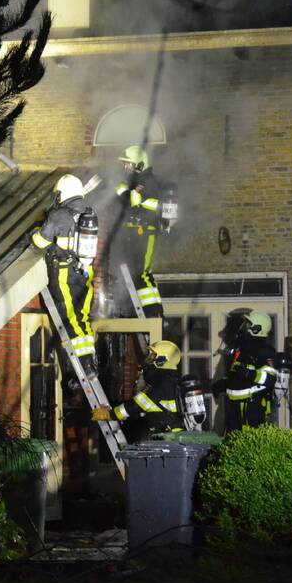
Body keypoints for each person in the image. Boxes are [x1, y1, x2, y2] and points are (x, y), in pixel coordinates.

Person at [30, 174, 99, 376]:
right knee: (82, 318)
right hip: (85, 271)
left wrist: (33, 233)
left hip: (64, 273)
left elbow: (40, 242)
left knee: (69, 318)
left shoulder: (58, 215)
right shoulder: (89, 214)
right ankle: (89, 361)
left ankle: (82, 365)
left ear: (63, 193)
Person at [113, 145, 164, 318]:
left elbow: (131, 202)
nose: (124, 167)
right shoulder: (131, 183)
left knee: (143, 273)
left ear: (138, 165)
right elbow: (119, 197)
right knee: (134, 273)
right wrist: (129, 192)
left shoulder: (147, 181)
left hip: (146, 232)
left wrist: (131, 194)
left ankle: (153, 311)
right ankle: (141, 309)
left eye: (127, 164)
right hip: (134, 234)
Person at [212, 311, 278, 432]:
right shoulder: (242, 349)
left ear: (258, 328)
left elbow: (271, 378)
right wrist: (223, 384)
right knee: (232, 441)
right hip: (233, 406)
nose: (244, 327)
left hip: (252, 406)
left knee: (250, 441)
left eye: (248, 324)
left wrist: (249, 374)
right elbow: (236, 375)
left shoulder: (265, 351)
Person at [107, 340, 184, 442]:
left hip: (167, 439)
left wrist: (110, 414)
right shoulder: (171, 379)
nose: (149, 360)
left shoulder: (159, 383)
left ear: (162, 360)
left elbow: (134, 406)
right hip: (173, 435)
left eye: (153, 356)